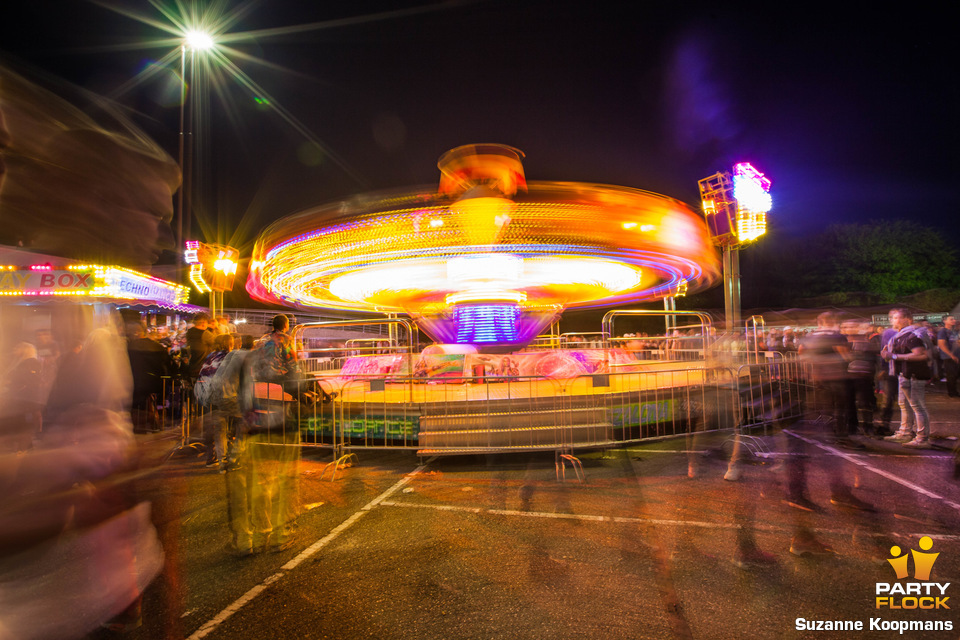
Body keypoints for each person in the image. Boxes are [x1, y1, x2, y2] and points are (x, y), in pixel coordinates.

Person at [883, 309, 932, 448]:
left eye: (897, 318)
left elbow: (921, 355)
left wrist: (893, 356)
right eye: (892, 317)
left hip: (913, 375)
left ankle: (922, 438)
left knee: (917, 406)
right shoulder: (902, 335)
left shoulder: (912, 335)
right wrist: (888, 355)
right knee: (904, 404)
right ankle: (905, 432)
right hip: (905, 374)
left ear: (908, 319)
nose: (893, 320)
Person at [937, 315, 959, 398]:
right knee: (951, 375)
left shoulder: (954, 331)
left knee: (955, 374)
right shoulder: (943, 331)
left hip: (956, 356)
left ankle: (954, 391)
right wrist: (951, 355)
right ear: (945, 321)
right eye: (951, 319)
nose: (954, 320)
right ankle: (952, 393)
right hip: (948, 357)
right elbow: (941, 345)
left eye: (954, 319)